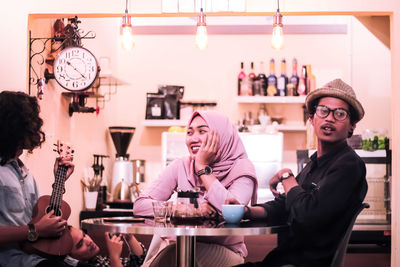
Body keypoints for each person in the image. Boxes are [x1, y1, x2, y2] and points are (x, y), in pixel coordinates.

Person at [230, 79, 368, 267]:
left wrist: (287, 177)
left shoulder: (349, 165)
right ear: (311, 119)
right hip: (282, 260)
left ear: (352, 125)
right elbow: (285, 205)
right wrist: (245, 211)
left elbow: (306, 215)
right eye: (323, 111)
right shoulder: (314, 164)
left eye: (340, 113)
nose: (329, 118)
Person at [133, 110, 258, 267]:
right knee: (174, 255)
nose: (193, 139)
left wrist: (202, 167)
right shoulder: (182, 165)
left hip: (225, 251)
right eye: (189, 132)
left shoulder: (242, 168)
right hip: (179, 247)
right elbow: (140, 205)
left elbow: (231, 212)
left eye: (202, 131)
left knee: (173, 257)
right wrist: (185, 209)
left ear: (222, 134)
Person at [0, 91, 75, 267]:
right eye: (31, 122)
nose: (37, 129)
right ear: (14, 126)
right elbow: (36, 228)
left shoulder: (24, 172)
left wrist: (59, 180)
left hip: (36, 255)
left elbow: (39, 218)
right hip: (11, 260)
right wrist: (35, 230)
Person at [62, 226, 146, 267]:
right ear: (70, 258)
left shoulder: (97, 259)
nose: (88, 241)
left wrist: (129, 237)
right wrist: (114, 257)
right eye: (80, 244)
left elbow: (139, 262)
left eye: (84, 235)